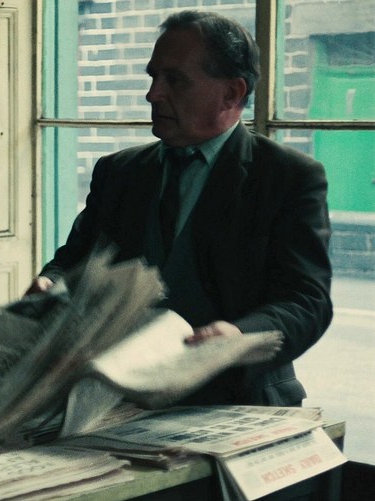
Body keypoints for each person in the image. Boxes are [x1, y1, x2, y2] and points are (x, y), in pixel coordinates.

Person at [27, 11, 332, 407]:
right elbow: (74, 261)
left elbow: (307, 301)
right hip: (117, 399)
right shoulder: (119, 172)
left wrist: (238, 337)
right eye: (153, 77)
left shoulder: (288, 176)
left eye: (175, 80)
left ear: (232, 93)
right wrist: (51, 283)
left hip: (237, 400)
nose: (153, 94)